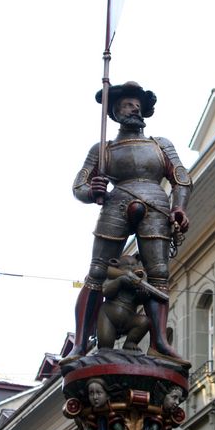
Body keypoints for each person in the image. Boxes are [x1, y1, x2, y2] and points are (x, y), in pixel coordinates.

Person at [63, 81, 191, 365]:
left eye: (136, 104)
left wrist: (179, 206)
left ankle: (159, 342)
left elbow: (181, 177)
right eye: (125, 105)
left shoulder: (161, 145)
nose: (132, 108)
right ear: (115, 112)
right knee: (96, 273)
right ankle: (81, 343)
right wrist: (93, 190)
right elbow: (79, 186)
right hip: (116, 202)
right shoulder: (103, 149)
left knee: (158, 276)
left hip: (156, 203)